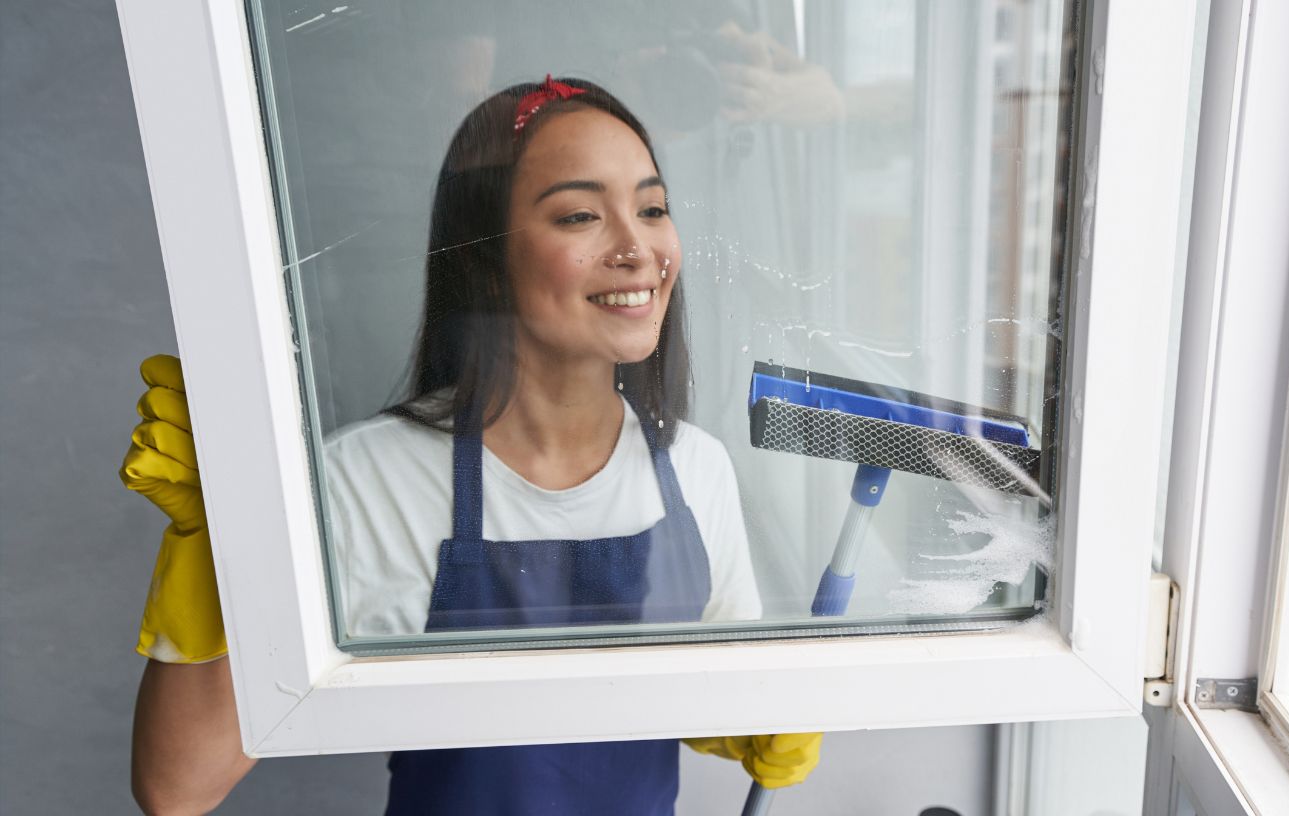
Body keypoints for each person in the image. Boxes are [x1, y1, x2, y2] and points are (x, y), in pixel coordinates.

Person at [121, 76, 821, 815]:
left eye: (652, 209)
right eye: (582, 214)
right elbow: (178, 788)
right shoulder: (366, 484)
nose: (638, 247)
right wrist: (218, 547)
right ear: (485, 257)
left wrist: (756, 724)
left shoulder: (694, 468)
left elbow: (720, 690)